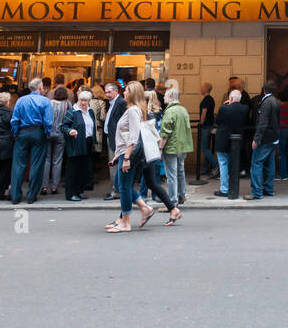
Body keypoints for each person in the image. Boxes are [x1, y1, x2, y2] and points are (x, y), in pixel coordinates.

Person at [106, 81, 180, 232]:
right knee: (127, 185)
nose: (123, 93)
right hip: (133, 153)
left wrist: (126, 158)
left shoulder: (134, 110)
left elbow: (133, 137)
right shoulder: (135, 110)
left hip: (134, 154)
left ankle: (127, 219)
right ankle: (133, 214)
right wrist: (119, 156)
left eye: (126, 90)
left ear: (132, 93)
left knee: (125, 186)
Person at [9, 78, 54, 205]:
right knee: (36, 164)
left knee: (18, 164)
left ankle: (16, 196)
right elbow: (48, 121)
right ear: (40, 88)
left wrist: (15, 132)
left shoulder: (21, 100)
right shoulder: (45, 101)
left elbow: (15, 119)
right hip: (38, 132)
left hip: (22, 132)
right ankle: (31, 195)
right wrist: (47, 133)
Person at [158, 85, 192, 205]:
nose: (163, 98)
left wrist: (160, 148)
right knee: (180, 171)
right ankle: (181, 195)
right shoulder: (183, 110)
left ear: (171, 97)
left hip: (171, 148)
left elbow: (165, 133)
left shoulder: (169, 111)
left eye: (165, 96)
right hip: (182, 147)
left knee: (171, 175)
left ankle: (172, 201)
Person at [213, 89, 250, 198]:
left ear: (231, 98)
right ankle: (233, 188)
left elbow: (218, 121)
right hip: (237, 142)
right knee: (234, 165)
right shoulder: (245, 109)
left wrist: (227, 105)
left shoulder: (224, 108)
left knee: (223, 164)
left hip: (222, 141)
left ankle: (224, 189)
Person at [63, 90, 98, 201]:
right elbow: (63, 127)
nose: (83, 103)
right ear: (78, 99)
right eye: (81, 100)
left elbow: (92, 127)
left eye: (86, 101)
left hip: (87, 143)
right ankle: (70, 194)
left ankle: (79, 191)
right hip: (75, 143)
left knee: (84, 169)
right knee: (73, 169)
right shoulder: (72, 112)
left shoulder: (90, 111)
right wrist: (70, 131)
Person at [249, 80, 281, 198]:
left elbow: (262, 123)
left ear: (263, 90)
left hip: (265, 138)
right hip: (273, 137)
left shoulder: (266, 102)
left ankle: (256, 192)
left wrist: (256, 139)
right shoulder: (276, 101)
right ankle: (268, 189)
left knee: (256, 163)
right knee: (270, 164)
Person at [41, 86, 71, 196]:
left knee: (47, 160)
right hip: (61, 133)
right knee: (57, 160)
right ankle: (54, 187)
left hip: (49, 132)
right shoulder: (67, 104)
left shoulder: (49, 103)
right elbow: (70, 117)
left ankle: (44, 187)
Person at [197, 82, 217, 177]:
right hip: (210, 126)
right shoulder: (211, 99)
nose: (200, 89)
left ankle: (216, 166)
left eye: (201, 87)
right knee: (207, 148)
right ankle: (205, 167)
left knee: (204, 148)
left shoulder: (206, 100)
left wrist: (200, 123)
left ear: (205, 89)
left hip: (205, 126)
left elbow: (204, 113)